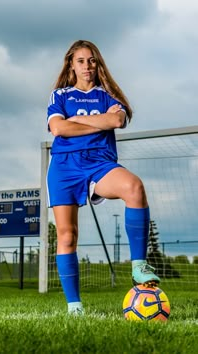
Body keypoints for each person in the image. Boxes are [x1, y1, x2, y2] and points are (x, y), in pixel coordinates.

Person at [46, 40, 160, 315]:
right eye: (81, 61)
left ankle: (138, 266)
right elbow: (58, 129)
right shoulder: (60, 95)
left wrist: (77, 122)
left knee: (134, 187)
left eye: (92, 60)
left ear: (98, 64)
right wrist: (98, 120)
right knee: (67, 236)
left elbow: (117, 121)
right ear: (71, 65)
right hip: (64, 167)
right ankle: (74, 306)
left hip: (99, 162)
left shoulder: (109, 96)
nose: (87, 66)